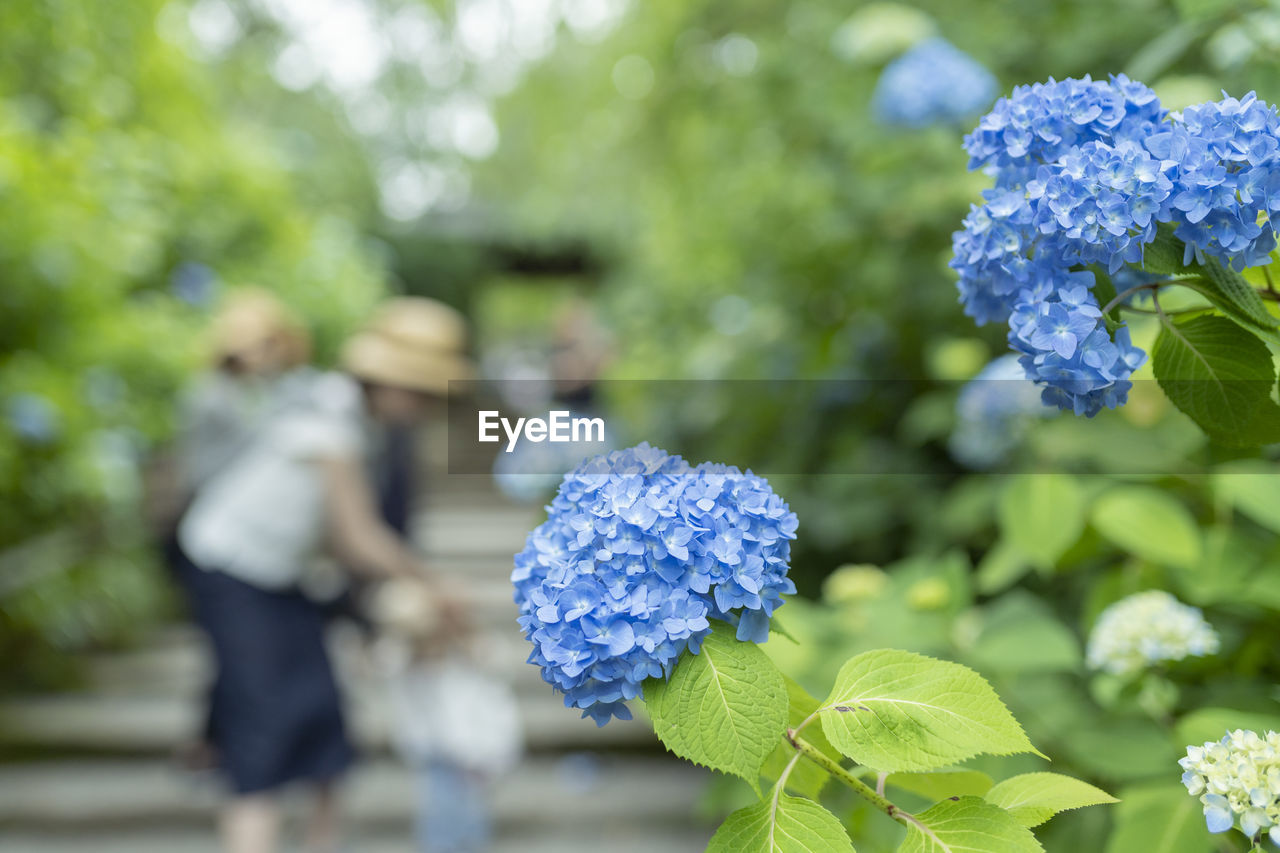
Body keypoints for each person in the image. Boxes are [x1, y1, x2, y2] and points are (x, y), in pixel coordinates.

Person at [175, 297, 472, 853]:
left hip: (285, 579)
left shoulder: (367, 427)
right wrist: (435, 585)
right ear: (383, 380)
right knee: (261, 732)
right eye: (418, 390)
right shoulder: (327, 418)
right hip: (233, 572)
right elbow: (356, 538)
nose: (423, 404)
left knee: (324, 725)